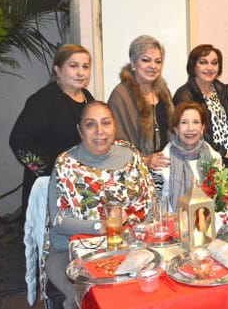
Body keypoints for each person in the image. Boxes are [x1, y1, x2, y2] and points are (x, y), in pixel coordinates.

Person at [46, 101, 154, 309]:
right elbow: (58, 221)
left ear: (114, 127)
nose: (99, 131)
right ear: (80, 130)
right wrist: (100, 226)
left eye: (106, 123)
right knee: (99, 299)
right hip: (71, 252)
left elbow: (150, 202)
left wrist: (138, 235)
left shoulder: (130, 154)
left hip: (131, 245)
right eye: (90, 124)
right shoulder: (66, 164)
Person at [10, 44, 94, 215]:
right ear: (57, 69)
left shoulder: (87, 98)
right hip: (49, 187)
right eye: (73, 66)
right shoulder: (43, 100)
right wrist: (52, 172)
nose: (81, 72)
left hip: (80, 185)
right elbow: (19, 140)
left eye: (85, 67)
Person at [108, 35, 174, 171]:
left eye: (158, 61)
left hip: (165, 169)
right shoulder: (121, 95)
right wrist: (144, 160)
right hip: (135, 172)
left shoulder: (164, 92)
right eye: (146, 60)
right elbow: (115, 144)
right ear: (133, 63)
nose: (153, 66)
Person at [151, 101, 223, 211]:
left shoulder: (214, 158)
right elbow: (154, 205)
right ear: (176, 128)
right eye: (184, 122)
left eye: (196, 122)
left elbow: (219, 200)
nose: (190, 128)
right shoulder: (161, 161)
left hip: (209, 219)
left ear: (202, 128)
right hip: (172, 219)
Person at [173, 44, 228, 168]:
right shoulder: (184, 95)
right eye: (203, 62)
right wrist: (223, 153)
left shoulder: (222, 90)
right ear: (193, 66)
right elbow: (192, 133)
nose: (210, 67)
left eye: (214, 63)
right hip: (205, 160)